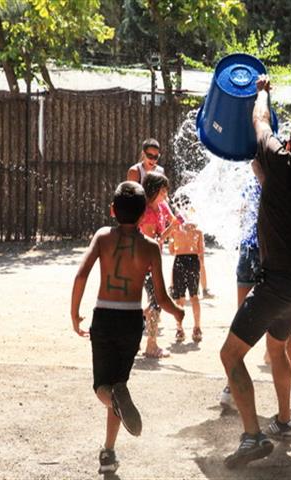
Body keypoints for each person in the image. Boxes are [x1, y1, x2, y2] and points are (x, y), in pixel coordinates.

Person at [219, 74, 291, 469]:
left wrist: (262, 91)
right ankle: (284, 420)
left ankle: (251, 437)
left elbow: (260, 120)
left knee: (230, 355)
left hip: (278, 282)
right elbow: (273, 192)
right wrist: (261, 176)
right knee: (276, 346)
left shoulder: (280, 158)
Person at [70, 181, 184, 475]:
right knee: (119, 384)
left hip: (105, 317)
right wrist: (178, 313)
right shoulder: (149, 248)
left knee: (102, 387)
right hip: (132, 322)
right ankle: (108, 451)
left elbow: (81, 275)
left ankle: (115, 406)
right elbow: (160, 297)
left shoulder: (102, 237)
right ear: (144, 212)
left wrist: (74, 314)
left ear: (112, 210)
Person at [219, 171, 291, 411]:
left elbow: (243, 215)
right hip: (270, 254)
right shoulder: (285, 182)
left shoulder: (253, 181)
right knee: (282, 325)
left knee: (242, 321)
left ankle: (231, 388)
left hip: (248, 250)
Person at [139, 171, 177, 358]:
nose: (166, 195)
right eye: (163, 191)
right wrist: (164, 236)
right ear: (153, 190)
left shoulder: (161, 207)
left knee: (155, 301)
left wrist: (175, 226)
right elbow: (148, 241)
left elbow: (173, 223)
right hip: (145, 264)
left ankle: (137, 321)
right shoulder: (146, 213)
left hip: (154, 263)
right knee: (157, 302)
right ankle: (151, 345)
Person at [168, 221, 204, 343]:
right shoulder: (198, 232)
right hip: (193, 262)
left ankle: (179, 329)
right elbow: (200, 251)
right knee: (194, 296)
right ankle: (197, 328)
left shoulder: (174, 231)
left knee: (180, 298)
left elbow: (172, 251)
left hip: (179, 262)